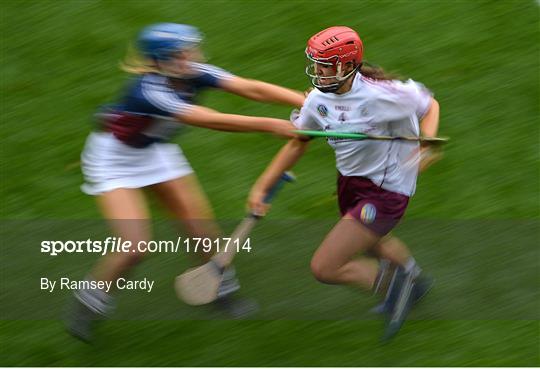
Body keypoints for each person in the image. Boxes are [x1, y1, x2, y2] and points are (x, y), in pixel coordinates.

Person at [67, 23, 304, 342]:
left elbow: (251, 88)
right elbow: (206, 119)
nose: (192, 55)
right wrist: (271, 125)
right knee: (135, 247)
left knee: (201, 230)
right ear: (162, 60)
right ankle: (90, 302)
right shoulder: (149, 91)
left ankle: (220, 292)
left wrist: (308, 103)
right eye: (183, 52)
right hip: (114, 161)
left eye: (191, 49)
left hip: (155, 153)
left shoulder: (193, 71)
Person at [247, 26, 440, 340]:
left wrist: (427, 141)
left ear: (347, 65)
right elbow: (299, 141)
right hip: (351, 184)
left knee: (325, 267)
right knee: (372, 242)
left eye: (324, 64)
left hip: (386, 190)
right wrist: (262, 185)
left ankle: (396, 289)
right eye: (316, 63)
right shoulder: (318, 100)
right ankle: (414, 281)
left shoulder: (384, 94)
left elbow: (429, 104)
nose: (317, 71)